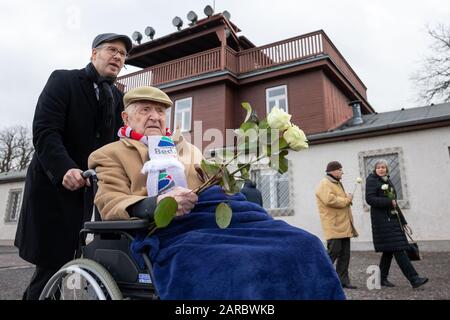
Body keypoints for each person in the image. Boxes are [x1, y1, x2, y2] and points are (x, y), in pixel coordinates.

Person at [88, 86, 346, 300]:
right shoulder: (109, 154)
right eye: (145, 110)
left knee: (306, 244)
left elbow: (210, 188)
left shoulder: (189, 149)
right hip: (168, 230)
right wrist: (157, 203)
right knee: (235, 261)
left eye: (160, 111)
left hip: (214, 219)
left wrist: (224, 182)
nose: (154, 116)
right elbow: (110, 202)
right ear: (126, 117)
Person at [14, 33, 132, 300]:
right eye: (112, 50)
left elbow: (119, 142)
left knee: (84, 262)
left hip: (91, 192)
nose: (117, 56)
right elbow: (46, 131)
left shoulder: (118, 97)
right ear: (94, 54)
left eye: (123, 55)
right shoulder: (63, 80)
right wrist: (65, 168)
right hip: (53, 186)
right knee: (51, 267)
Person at [365, 159, 428, 289]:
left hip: (393, 220)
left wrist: (403, 221)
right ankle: (414, 279)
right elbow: (370, 199)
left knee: (389, 251)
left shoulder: (387, 180)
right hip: (382, 221)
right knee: (398, 250)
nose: (381, 169)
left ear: (387, 169)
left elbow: (394, 203)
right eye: (379, 167)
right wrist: (388, 202)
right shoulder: (372, 180)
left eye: (383, 167)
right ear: (375, 170)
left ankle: (381, 279)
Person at [315, 161, 359, 289]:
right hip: (334, 225)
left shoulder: (336, 183)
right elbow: (330, 200)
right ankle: (319, 278)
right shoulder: (325, 183)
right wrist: (347, 200)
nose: (342, 172)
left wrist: (347, 196)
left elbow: (337, 198)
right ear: (333, 171)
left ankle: (343, 281)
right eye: (340, 170)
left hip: (343, 224)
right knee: (333, 252)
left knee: (345, 254)